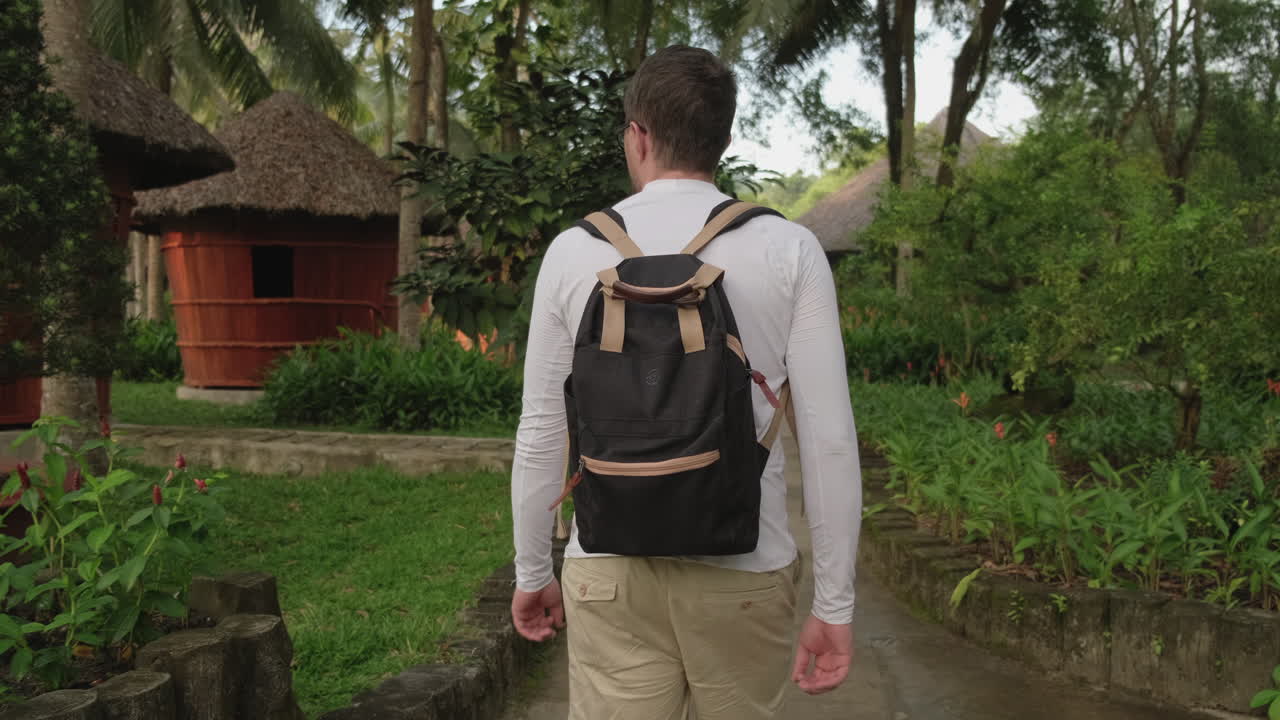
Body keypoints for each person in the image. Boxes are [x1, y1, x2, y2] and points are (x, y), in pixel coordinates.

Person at [509, 45, 862, 719]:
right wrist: (834, 604)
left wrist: (533, 572)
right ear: (722, 139)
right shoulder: (789, 250)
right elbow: (831, 441)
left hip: (608, 570)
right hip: (746, 572)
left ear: (638, 134)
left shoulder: (573, 251)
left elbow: (542, 429)